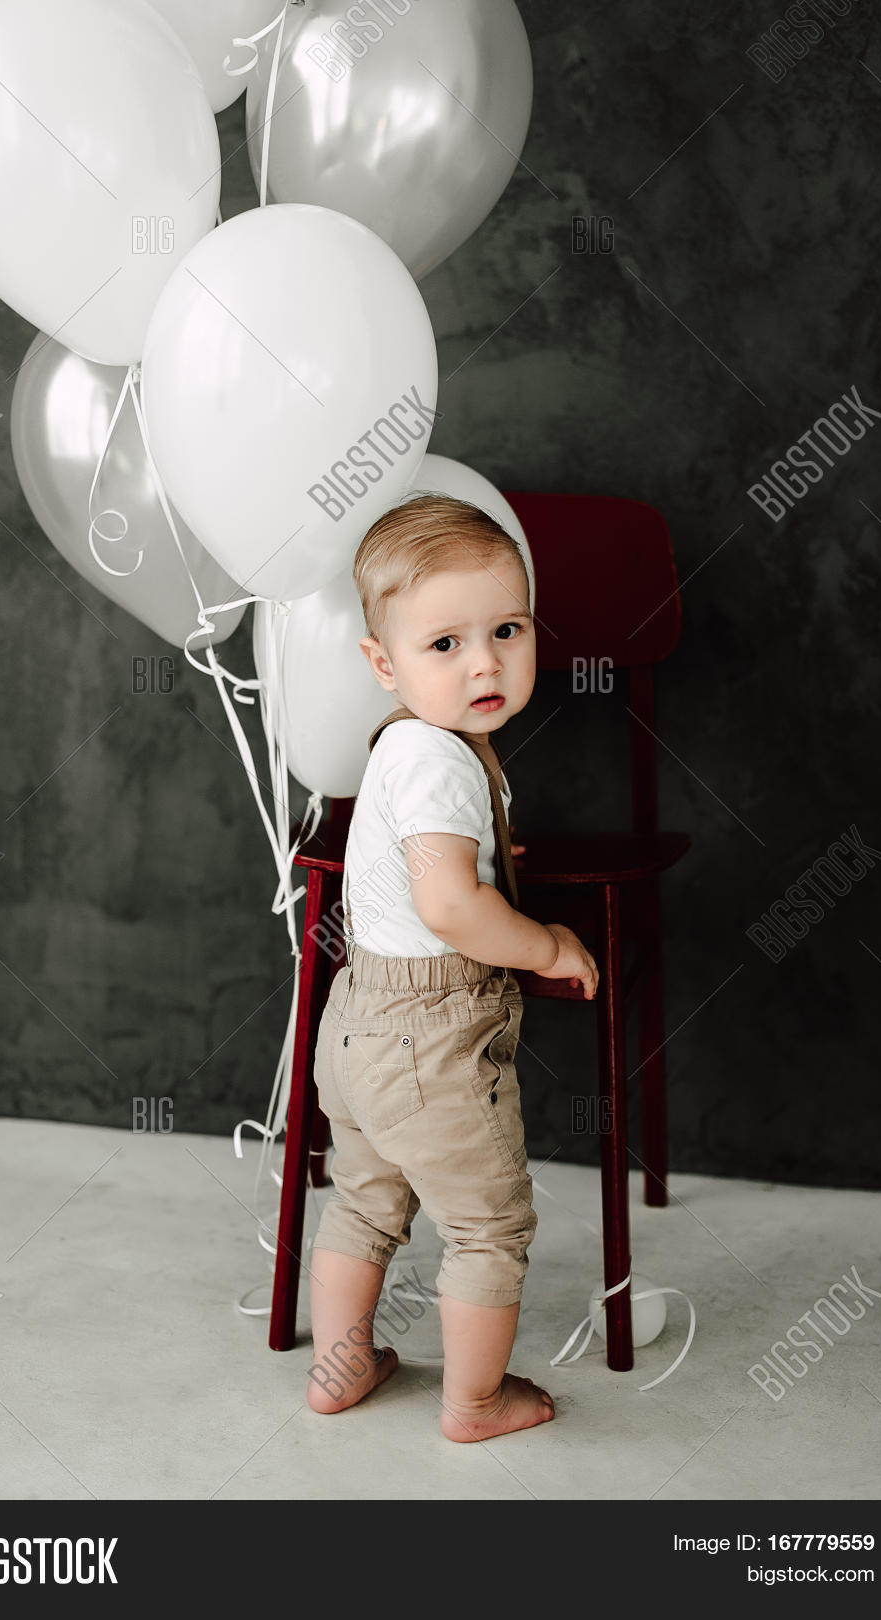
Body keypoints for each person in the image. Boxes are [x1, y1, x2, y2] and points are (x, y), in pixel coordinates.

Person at [307, 492, 599, 1442]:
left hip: (356, 1024)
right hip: (430, 1040)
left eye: (506, 629)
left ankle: (338, 1372)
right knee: (488, 1229)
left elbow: (408, 882)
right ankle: (475, 1402)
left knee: (364, 1202)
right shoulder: (444, 764)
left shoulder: (403, 744)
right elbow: (448, 906)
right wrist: (546, 942)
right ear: (383, 663)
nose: (485, 662)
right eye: (445, 645)